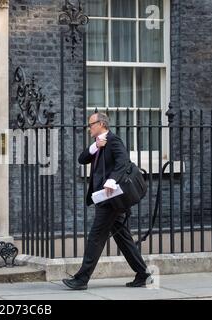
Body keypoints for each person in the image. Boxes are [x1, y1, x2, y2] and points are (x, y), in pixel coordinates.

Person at [62, 113, 152, 290]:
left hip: (111, 199)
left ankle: (82, 279)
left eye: (91, 124)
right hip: (105, 198)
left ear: (101, 124)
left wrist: (112, 180)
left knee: (96, 237)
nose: (89, 128)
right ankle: (143, 274)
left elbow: (123, 162)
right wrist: (96, 146)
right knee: (122, 237)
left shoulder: (114, 140)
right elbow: (82, 159)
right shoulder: (99, 143)